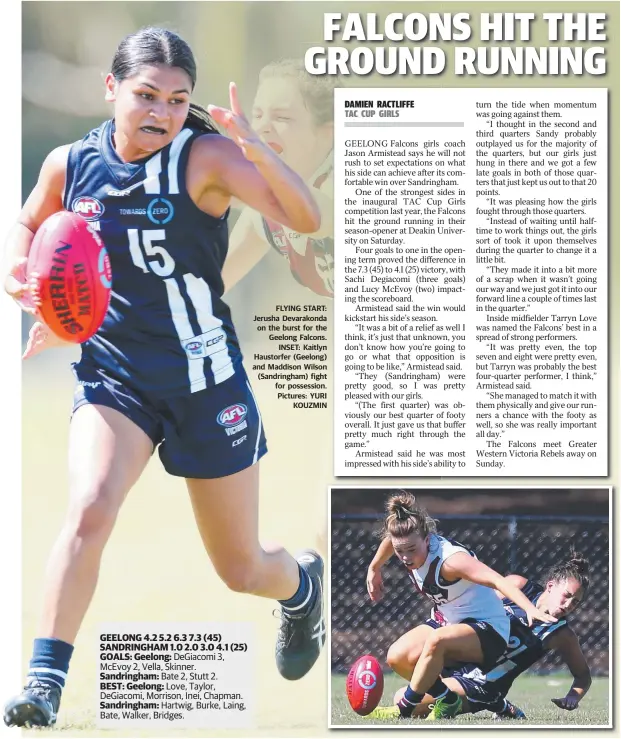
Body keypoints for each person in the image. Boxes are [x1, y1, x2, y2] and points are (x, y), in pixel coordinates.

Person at [3, 27, 326, 728]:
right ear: (110, 88)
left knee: (240, 568)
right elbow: (28, 230)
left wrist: (256, 146)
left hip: (205, 379)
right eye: (145, 95)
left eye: (177, 100)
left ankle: (301, 587)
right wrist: (32, 287)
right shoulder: (70, 164)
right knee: (89, 505)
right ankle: (43, 684)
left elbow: (306, 216)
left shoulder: (206, 157)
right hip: (115, 377)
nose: (160, 112)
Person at [364, 492, 556, 720]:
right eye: (400, 551)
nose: (405, 557)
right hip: (450, 621)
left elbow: (498, 580)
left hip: (489, 630)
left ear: (427, 539)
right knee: (398, 656)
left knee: (437, 641)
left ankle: (404, 709)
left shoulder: (451, 562)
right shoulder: (408, 540)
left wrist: (530, 609)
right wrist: (374, 567)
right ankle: (448, 700)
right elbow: (392, 540)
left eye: (411, 550)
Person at [392, 552, 592, 719]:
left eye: (575, 602)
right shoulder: (518, 586)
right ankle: (500, 706)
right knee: (402, 655)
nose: (568, 605)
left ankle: (495, 701)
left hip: (479, 683)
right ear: (550, 586)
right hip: (458, 657)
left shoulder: (562, 634)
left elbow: (583, 676)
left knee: (402, 697)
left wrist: (573, 697)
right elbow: (476, 606)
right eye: (567, 595)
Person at [222, 59, 336, 296]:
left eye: (282, 117)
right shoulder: (264, 213)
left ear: (329, 133)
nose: (262, 126)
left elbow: (319, 218)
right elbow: (206, 288)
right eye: (257, 114)